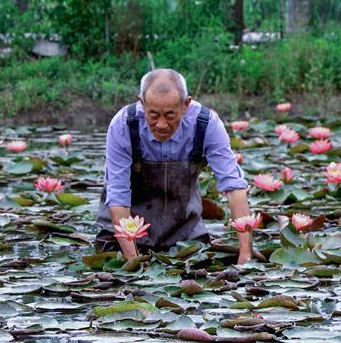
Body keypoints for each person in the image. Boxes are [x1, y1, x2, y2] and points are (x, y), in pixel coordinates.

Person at [96, 68, 253, 263]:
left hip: (183, 231)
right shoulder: (122, 125)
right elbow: (118, 196)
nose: (161, 124)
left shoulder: (207, 125)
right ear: (142, 103)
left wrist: (245, 254)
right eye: (153, 115)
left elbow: (234, 189)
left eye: (170, 115)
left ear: (186, 104)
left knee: (202, 267)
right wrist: (133, 262)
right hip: (125, 231)